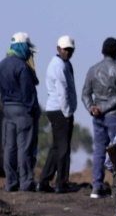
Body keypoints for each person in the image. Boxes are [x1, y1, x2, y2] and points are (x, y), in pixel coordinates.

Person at [81, 37, 116, 198]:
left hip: (98, 117)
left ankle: (97, 186)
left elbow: (85, 94)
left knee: (99, 150)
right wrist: (104, 108)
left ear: (102, 51)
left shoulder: (92, 70)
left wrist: (93, 108)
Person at [0, 32, 40, 192]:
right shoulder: (23, 66)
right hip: (23, 109)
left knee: (10, 146)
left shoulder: (2, 64)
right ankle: (26, 182)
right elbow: (28, 92)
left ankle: (10, 182)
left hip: (7, 109)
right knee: (25, 147)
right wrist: (33, 110)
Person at [39, 36, 77, 193]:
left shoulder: (63, 64)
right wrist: (67, 112)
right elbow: (61, 91)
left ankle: (44, 181)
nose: (66, 52)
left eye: (69, 49)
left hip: (58, 109)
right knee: (63, 148)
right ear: (58, 48)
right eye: (64, 49)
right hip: (60, 110)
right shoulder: (58, 66)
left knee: (56, 147)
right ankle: (61, 183)